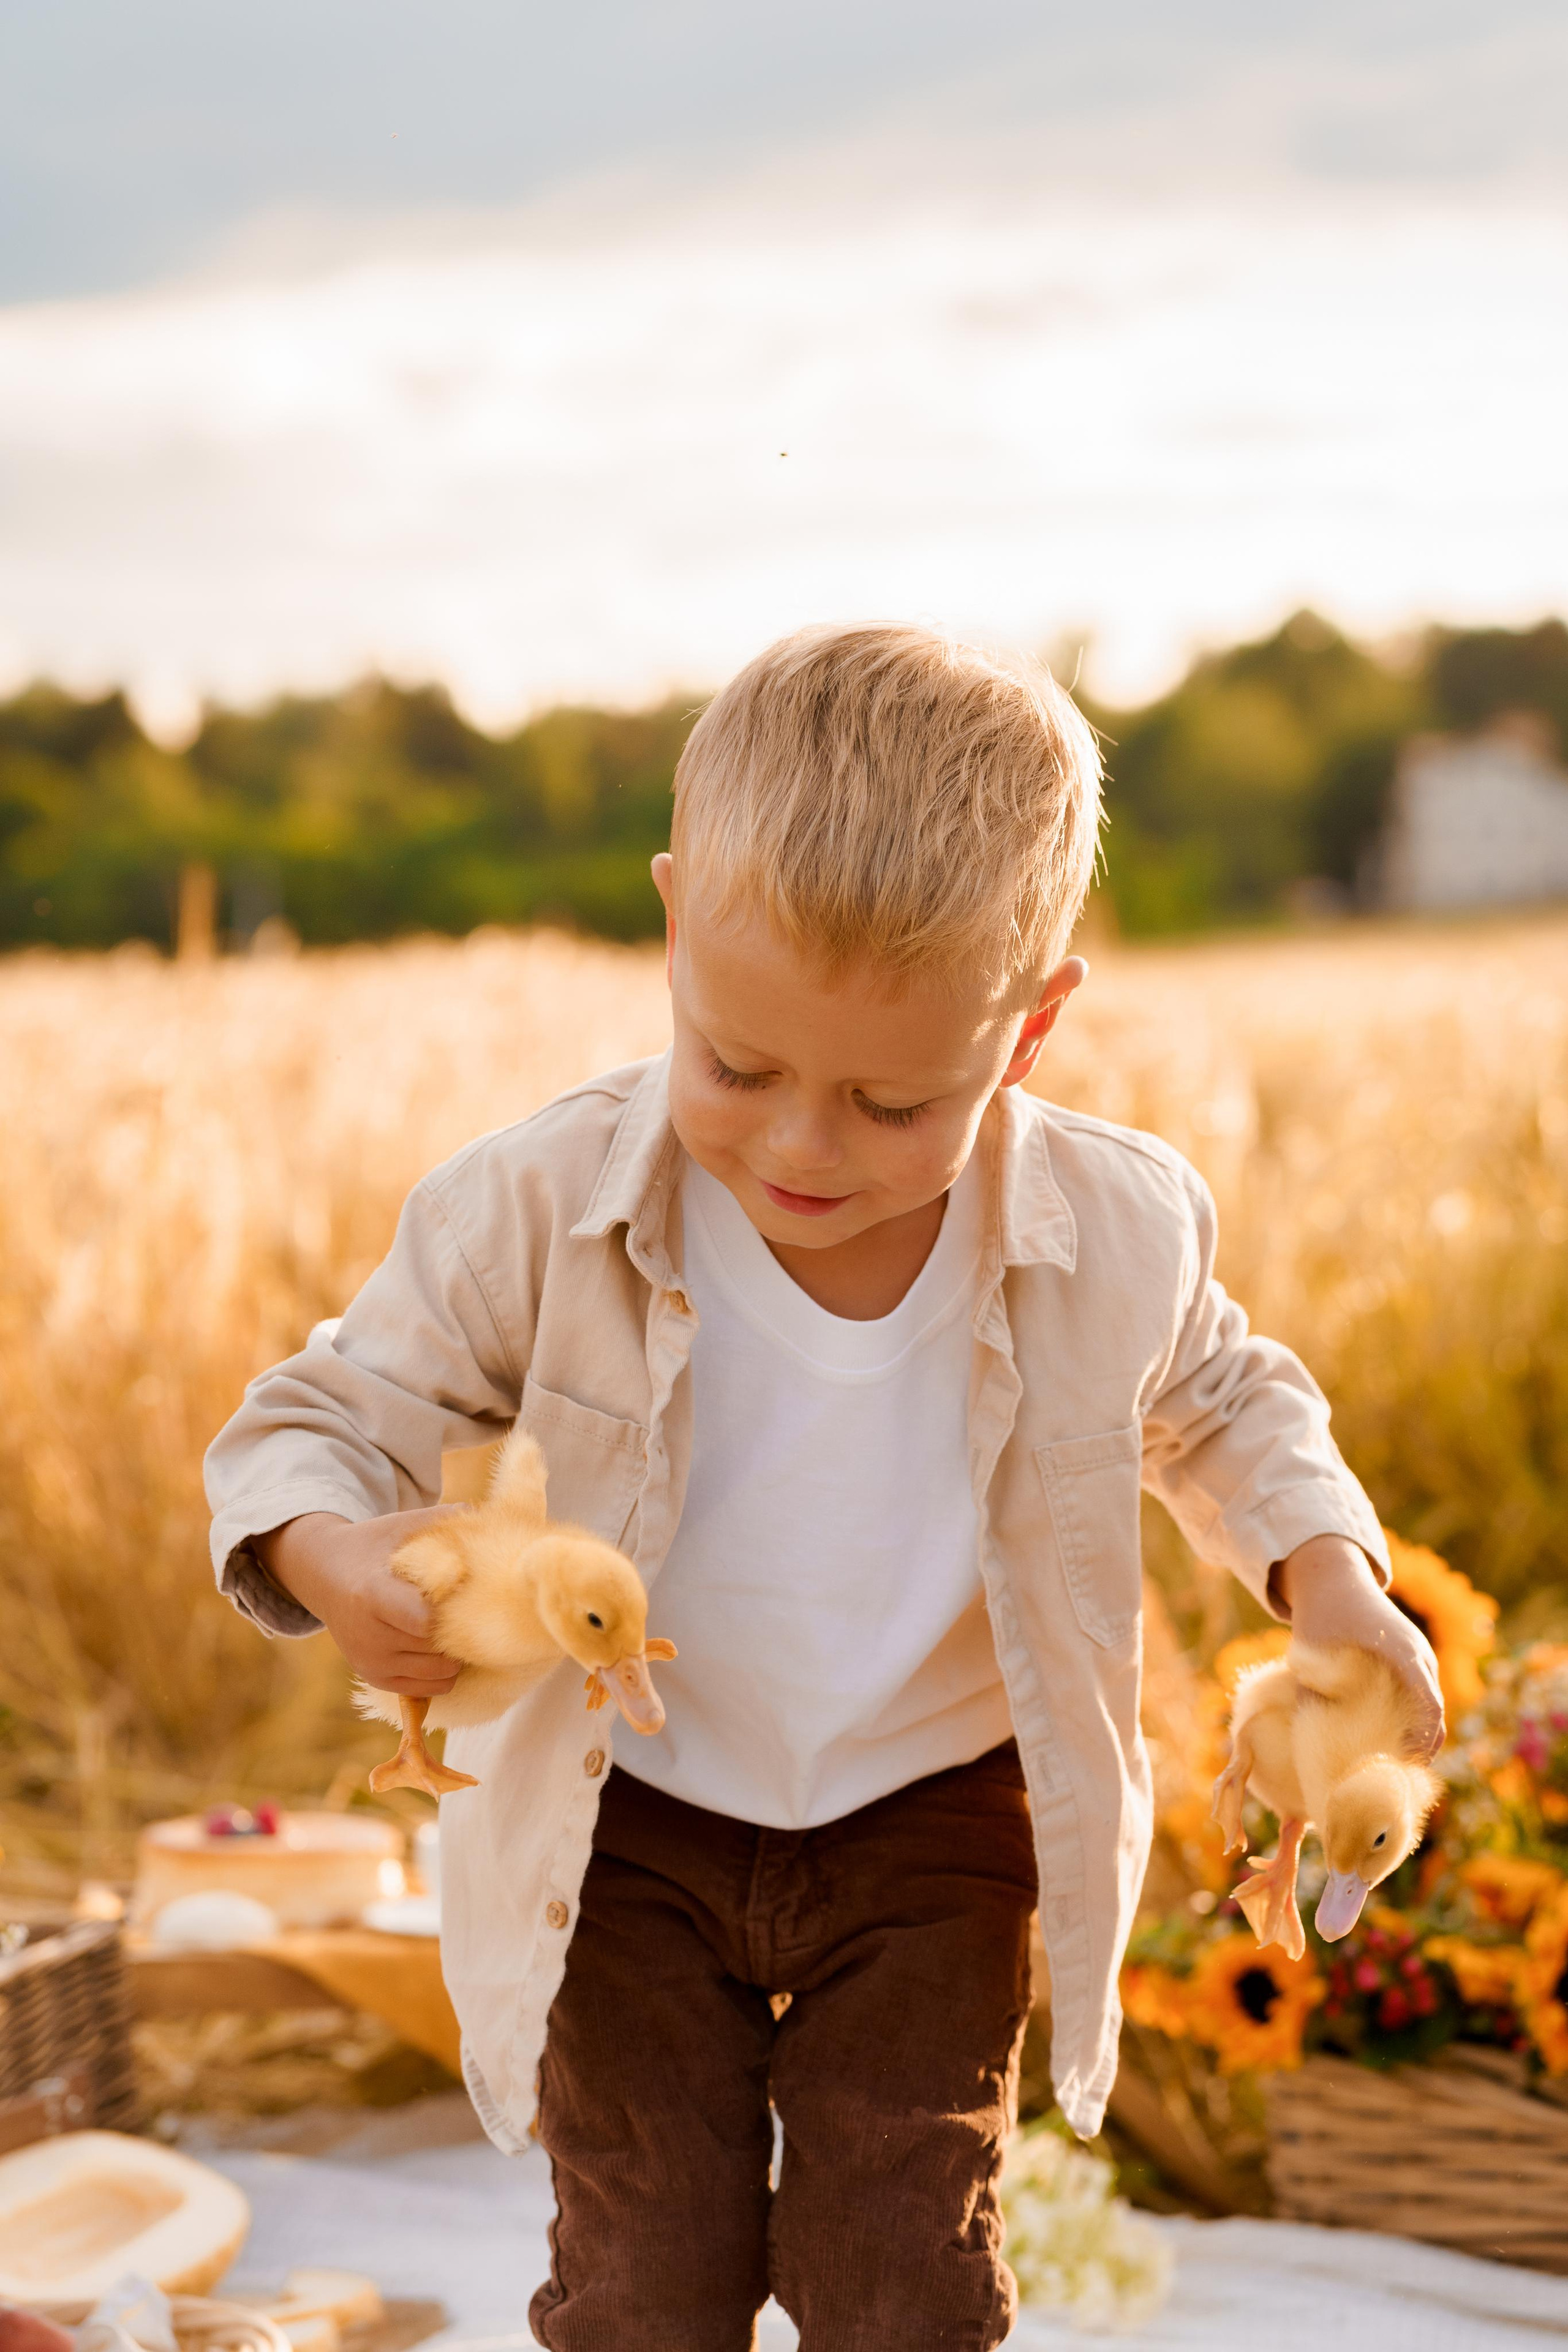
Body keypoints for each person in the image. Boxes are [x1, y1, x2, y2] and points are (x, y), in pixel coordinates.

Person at [206, 624, 1442, 2350]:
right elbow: (317, 1418)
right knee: (649, 2278)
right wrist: (335, 1557)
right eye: (740, 1065)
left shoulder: (1116, 1228)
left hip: (930, 1820)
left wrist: (1324, 1572)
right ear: (672, 926)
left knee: (903, 2275)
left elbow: (1226, 1396)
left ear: (1030, 1029)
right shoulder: (534, 1203)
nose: (800, 1148)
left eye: (889, 1100)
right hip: (627, 1820)